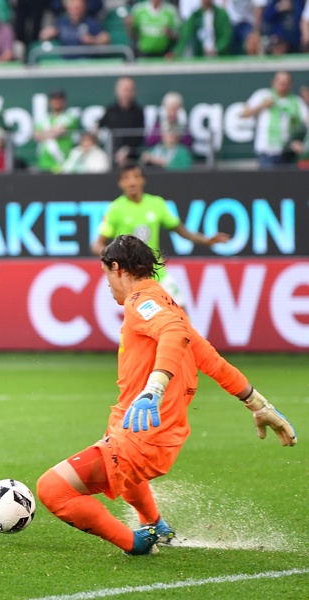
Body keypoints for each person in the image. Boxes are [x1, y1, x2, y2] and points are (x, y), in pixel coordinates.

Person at [36, 234, 297, 556]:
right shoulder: (166, 303)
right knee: (123, 467)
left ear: (117, 268)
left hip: (144, 436)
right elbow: (212, 362)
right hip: (153, 433)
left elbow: (171, 333)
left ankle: (135, 544)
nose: (107, 285)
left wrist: (154, 388)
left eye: (106, 275)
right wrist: (259, 405)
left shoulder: (140, 302)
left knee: (52, 489)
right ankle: (155, 524)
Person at [90, 163, 229, 305]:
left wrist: (207, 240)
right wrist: (120, 260)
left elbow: (181, 231)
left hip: (157, 271)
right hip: (132, 277)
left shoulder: (156, 204)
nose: (132, 182)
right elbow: (96, 245)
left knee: (180, 311)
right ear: (120, 183)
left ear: (143, 180)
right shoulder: (115, 209)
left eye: (136, 177)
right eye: (126, 178)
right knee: (144, 320)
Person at [240, 70, 309, 169]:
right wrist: (261, 106)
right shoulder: (263, 95)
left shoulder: (296, 101)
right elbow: (243, 114)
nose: (282, 85)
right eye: (280, 82)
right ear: (273, 82)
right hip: (267, 150)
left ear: (290, 84)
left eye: (286, 83)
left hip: (287, 150)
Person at [97, 76, 145, 167]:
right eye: (124, 90)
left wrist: (127, 150)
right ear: (117, 90)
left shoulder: (138, 112)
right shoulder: (111, 110)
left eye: (129, 90)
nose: (126, 94)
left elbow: (139, 135)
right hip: (111, 154)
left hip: (132, 156)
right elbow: (99, 126)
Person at [33, 88, 79, 173]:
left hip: (61, 163)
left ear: (64, 101)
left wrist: (43, 134)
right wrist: (51, 132)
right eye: (54, 99)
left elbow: (59, 132)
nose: (57, 102)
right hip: (43, 163)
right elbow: (36, 136)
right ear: (49, 102)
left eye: (60, 99)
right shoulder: (44, 118)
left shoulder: (70, 117)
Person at [39, 0, 109, 51]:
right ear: (68, 8)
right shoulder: (61, 22)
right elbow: (43, 35)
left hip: (86, 62)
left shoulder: (90, 22)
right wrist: (49, 33)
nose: (75, 11)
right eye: (73, 8)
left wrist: (93, 40)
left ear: (83, 8)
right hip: (65, 62)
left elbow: (106, 38)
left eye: (78, 8)